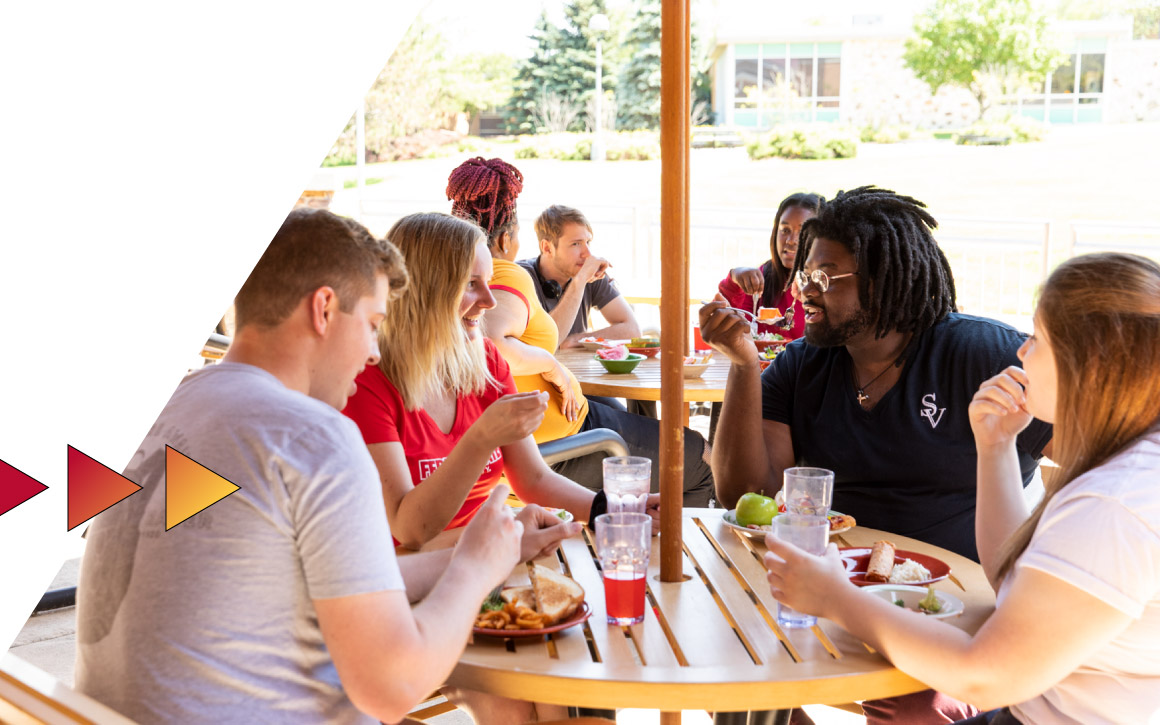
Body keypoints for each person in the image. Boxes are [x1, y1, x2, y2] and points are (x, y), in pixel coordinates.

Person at [74, 209, 583, 724]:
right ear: (323, 309)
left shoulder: (172, 405)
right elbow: (395, 685)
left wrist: (494, 549)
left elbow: (323, 582)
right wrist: (474, 570)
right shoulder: (312, 436)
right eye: (373, 324)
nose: (373, 352)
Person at [698, 186, 1053, 725]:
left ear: (884, 283)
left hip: (953, 611)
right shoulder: (801, 365)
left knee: (914, 707)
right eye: (804, 276)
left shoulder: (980, 353)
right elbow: (746, 493)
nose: (803, 292)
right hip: (825, 594)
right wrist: (744, 367)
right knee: (727, 667)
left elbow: (1098, 449)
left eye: (824, 278)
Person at [765, 252, 1160, 725]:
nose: (1021, 352)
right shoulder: (1132, 464)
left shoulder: (1114, 503)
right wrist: (995, 446)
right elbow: (1009, 581)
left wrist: (834, 597)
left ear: (1090, 363)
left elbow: (985, 676)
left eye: (1038, 338)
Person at [343, 211, 662, 551]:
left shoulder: (485, 360)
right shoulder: (367, 381)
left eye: (489, 282)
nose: (489, 300)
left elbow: (533, 479)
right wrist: (482, 437)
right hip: (411, 580)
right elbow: (410, 530)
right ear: (423, 289)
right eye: (470, 284)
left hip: (487, 556)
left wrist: (609, 508)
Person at [445, 156, 715, 506]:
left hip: (549, 436)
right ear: (510, 236)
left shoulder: (453, 276)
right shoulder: (505, 274)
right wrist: (550, 363)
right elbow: (492, 343)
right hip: (562, 446)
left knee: (627, 413)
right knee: (703, 457)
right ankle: (658, 555)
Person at [519, 204, 641, 349]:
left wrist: (577, 340)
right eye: (575, 244)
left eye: (588, 242)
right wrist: (580, 280)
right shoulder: (521, 277)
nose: (587, 254)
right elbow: (546, 343)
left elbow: (632, 330)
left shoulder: (588, 272)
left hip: (576, 369)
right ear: (547, 248)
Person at [717, 191, 824, 341]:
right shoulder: (763, 278)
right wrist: (734, 278)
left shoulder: (828, 287)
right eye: (785, 230)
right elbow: (729, 320)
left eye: (802, 233)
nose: (791, 240)